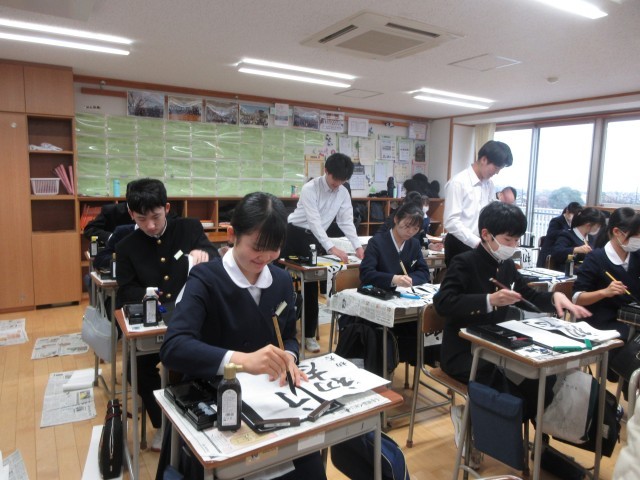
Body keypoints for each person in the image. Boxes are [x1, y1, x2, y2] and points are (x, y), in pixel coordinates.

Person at [160, 192, 325, 480]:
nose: (266, 257)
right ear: (232, 234)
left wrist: (288, 356)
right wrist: (242, 361)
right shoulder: (205, 279)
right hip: (216, 402)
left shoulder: (281, 280)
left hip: (272, 403)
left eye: (274, 249)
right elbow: (174, 347)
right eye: (257, 247)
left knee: (308, 466)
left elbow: (288, 336)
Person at [433, 202, 591, 465]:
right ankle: (472, 426)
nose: (513, 245)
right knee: (506, 386)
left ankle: (539, 445)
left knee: (540, 382)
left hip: (497, 345)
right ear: (486, 235)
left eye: (517, 239)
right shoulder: (464, 262)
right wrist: (488, 300)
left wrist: (555, 297)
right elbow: (443, 303)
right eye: (508, 240)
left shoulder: (505, 264)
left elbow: (526, 296)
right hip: (464, 351)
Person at [115, 178, 218, 451]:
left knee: (197, 361)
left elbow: (213, 256)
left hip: (189, 316)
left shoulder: (188, 228)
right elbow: (126, 290)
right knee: (137, 370)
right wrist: (148, 295)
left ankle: (191, 417)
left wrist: (203, 253)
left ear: (167, 208)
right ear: (131, 214)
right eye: (142, 219)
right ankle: (162, 424)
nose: (150, 225)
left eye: (156, 217)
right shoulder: (126, 247)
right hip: (153, 319)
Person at [282, 153, 365, 353]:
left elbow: (345, 221)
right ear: (326, 171)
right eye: (335, 179)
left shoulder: (342, 192)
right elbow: (314, 221)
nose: (337, 185)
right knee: (282, 282)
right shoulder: (310, 188)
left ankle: (309, 335)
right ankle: (284, 331)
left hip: (314, 239)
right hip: (293, 235)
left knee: (311, 285)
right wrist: (331, 247)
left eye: (342, 181)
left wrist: (357, 246)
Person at [443, 140, 513, 267]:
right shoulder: (458, 183)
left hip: (483, 244)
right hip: (460, 244)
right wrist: (476, 242)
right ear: (484, 160)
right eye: (496, 168)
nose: (497, 172)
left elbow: (490, 214)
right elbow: (451, 221)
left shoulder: (489, 184)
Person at [573, 207, 639, 339]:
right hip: (602, 325)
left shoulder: (636, 256)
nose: (638, 239)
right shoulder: (596, 258)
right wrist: (604, 292)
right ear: (617, 232)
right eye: (636, 235)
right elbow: (577, 298)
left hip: (633, 320)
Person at [360, 202, 431, 289]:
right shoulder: (376, 242)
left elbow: (424, 273)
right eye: (407, 226)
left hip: (404, 292)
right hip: (380, 291)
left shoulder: (414, 244)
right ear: (396, 219)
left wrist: (408, 280)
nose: (411, 232)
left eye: (415, 228)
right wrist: (393, 279)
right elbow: (366, 274)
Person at [550, 207, 605, 272]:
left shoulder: (590, 238)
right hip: (569, 272)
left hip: (586, 271)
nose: (598, 228)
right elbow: (556, 253)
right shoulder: (567, 235)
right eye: (598, 226)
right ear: (588, 225)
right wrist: (576, 249)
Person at [537, 201, 583, 268]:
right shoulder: (556, 221)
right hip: (550, 252)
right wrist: (567, 232)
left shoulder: (574, 224)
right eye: (573, 215)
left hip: (563, 253)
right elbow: (551, 234)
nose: (575, 218)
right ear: (567, 211)